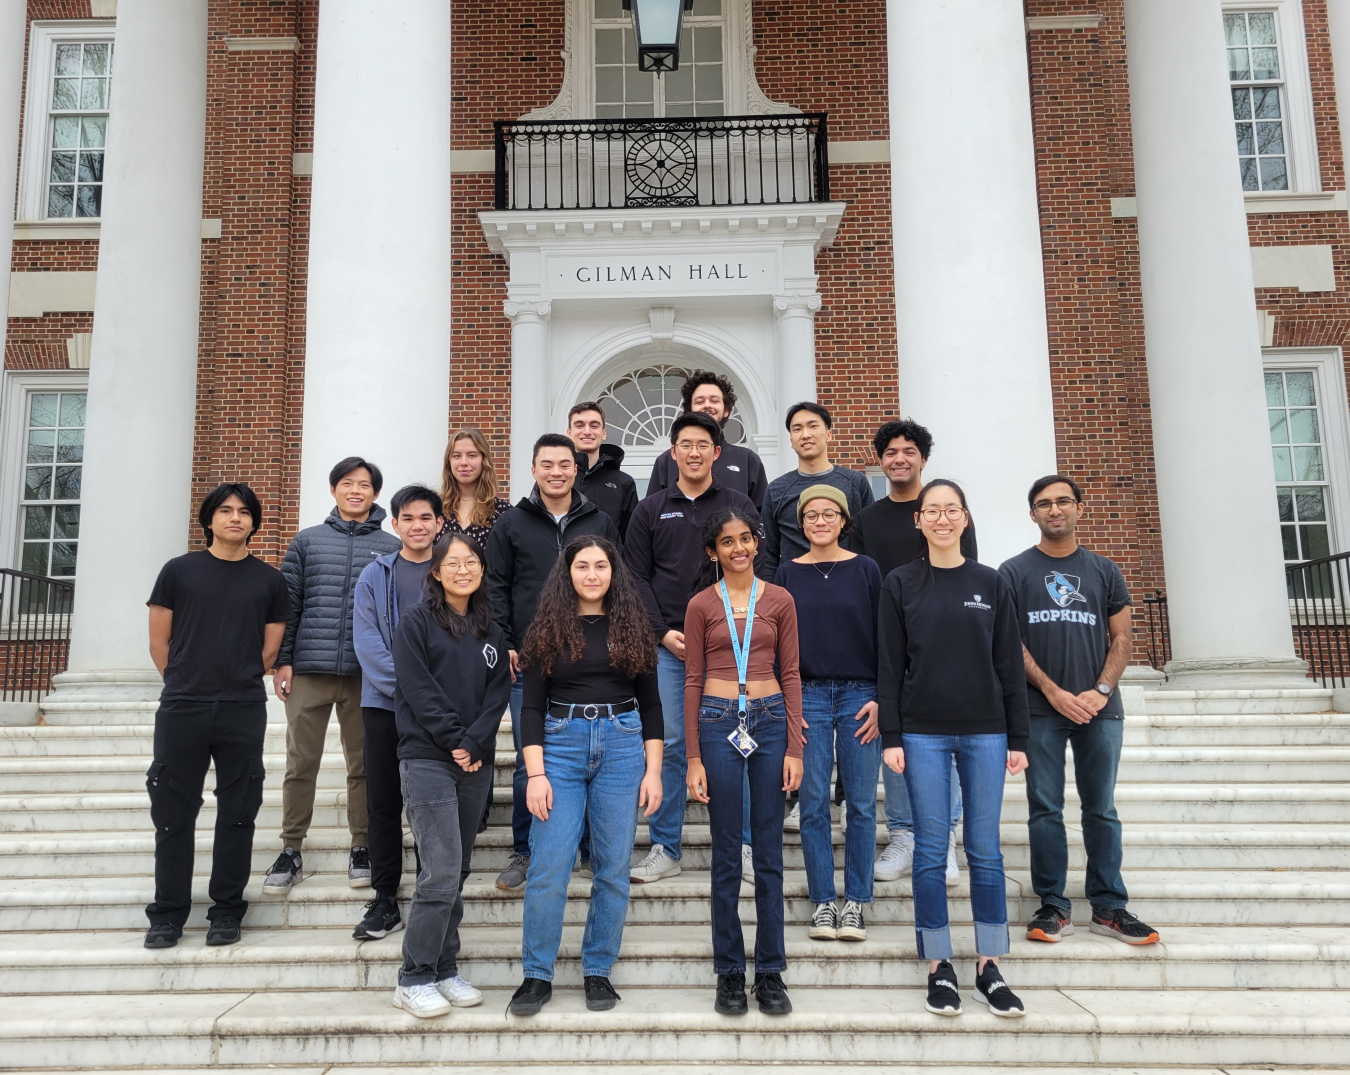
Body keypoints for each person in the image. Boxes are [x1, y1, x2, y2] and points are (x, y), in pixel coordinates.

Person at [878, 479, 1029, 1018]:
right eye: (932, 511)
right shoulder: (900, 583)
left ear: (965, 518)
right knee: (929, 847)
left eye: (952, 510)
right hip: (922, 733)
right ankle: (938, 965)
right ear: (917, 521)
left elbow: (1009, 663)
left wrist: (1018, 737)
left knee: (984, 850)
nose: (942, 518)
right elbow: (890, 667)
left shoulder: (991, 582)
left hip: (986, 732)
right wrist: (892, 737)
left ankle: (990, 965)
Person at [999, 475, 1160, 947]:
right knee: (1045, 809)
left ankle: (1109, 907)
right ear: (1032, 514)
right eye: (1044, 504)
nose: (1054, 510)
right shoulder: (1013, 572)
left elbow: (1123, 638)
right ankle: (1053, 905)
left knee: (1102, 809)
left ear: (1079, 509)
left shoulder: (1105, 571)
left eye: (1063, 502)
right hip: (1040, 708)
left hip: (1101, 709)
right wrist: (1052, 691)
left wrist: (1102, 689)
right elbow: (1011, 644)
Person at [509, 537, 665, 1016]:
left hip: (622, 745)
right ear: (568, 572)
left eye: (601, 566)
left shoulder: (633, 626)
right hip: (560, 744)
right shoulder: (547, 629)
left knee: (613, 868)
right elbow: (531, 707)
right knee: (549, 866)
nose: (593, 574)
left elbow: (653, 705)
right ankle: (537, 975)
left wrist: (654, 771)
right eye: (583, 566)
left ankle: (598, 968)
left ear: (613, 572)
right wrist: (535, 775)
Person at [143, 484, 290, 949]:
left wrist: (239, 679)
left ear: (253, 522)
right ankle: (167, 915)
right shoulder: (178, 571)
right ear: (209, 519)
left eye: (244, 512)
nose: (235, 518)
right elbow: (158, 642)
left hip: (243, 707)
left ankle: (226, 910)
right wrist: (183, 682)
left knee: (238, 813)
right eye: (225, 511)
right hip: (183, 706)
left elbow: (270, 646)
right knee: (172, 813)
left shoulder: (269, 580)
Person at [625, 412, 761, 885]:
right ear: (673, 452)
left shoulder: (738, 503)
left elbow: (750, 567)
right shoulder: (650, 509)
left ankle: (741, 844)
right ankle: (666, 846)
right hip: (670, 648)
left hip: (730, 647)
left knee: (737, 740)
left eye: (704, 444)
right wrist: (662, 631)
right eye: (686, 444)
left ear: (717, 452)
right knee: (673, 743)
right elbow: (636, 577)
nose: (695, 452)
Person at [485, 433, 622, 891]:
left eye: (565, 464)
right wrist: (505, 641)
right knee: (531, 762)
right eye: (547, 464)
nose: (557, 472)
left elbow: (617, 583)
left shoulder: (599, 521)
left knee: (587, 757)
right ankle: (525, 851)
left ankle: (586, 848)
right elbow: (495, 588)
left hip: (590, 662)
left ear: (576, 469)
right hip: (531, 661)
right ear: (533, 469)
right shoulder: (510, 523)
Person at [263, 457, 402, 895]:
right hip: (310, 668)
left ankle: (361, 846)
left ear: (375, 494)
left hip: (368, 676)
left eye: (364, 485)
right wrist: (282, 661)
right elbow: (288, 605)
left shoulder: (391, 546)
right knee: (300, 763)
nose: (355, 491)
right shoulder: (307, 542)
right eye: (347, 483)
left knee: (364, 766)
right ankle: (291, 849)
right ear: (333, 489)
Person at [685, 507, 803, 1016]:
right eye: (727, 542)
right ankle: (730, 971)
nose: (738, 548)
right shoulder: (698, 605)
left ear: (757, 544)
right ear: (713, 551)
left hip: (771, 719)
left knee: (771, 854)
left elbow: (793, 672)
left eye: (746, 539)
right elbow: (690, 679)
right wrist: (691, 756)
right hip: (716, 722)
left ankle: (771, 971)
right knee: (728, 852)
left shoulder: (779, 599)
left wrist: (796, 746)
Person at [389, 534, 507, 1017]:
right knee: (438, 870)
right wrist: (456, 738)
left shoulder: (491, 630)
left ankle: (443, 967)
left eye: (471, 562)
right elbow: (417, 686)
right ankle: (412, 976)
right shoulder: (417, 622)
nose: (463, 569)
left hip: (473, 761)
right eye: (452, 563)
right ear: (435, 572)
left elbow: (497, 693)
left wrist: (475, 742)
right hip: (427, 757)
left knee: (455, 871)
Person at [854, 419, 974, 885]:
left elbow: (969, 573)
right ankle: (904, 836)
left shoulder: (949, 514)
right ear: (880, 462)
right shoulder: (867, 520)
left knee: (946, 740)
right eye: (890, 452)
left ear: (923, 458)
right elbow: (862, 585)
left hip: (944, 645)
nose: (899, 458)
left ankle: (942, 839)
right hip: (888, 645)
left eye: (908, 451)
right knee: (897, 738)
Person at [773, 485, 883, 944]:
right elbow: (775, 642)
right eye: (811, 515)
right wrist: (785, 700)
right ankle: (823, 901)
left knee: (859, 802)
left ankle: (855, 900)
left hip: (861, 695)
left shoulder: (866, 570)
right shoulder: (785, 574)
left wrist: (883, 697)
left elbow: (886, 637)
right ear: (802, 524)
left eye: (829, 514)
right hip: (808, 695)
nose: (820, 521)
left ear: (844, 520)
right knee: (813, 802)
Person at [351, 484, 445, 941]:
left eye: (425, 517)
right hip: (384, 706)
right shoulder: (376, 575)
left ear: (439, 523)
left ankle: (435, 892)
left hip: (441, 711)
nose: (417, 526)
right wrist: (414, 693)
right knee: (384, 803)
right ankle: (385, 897)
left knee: (430, 804)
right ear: (394, 525)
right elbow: (368, 644)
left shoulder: (453, 571)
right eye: (407, 518)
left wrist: (434, 699)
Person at [757, 402, 873, 581]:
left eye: (813, 426)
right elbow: (769, 553)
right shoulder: (776, 490)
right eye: (797, 429)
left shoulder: (856, 483)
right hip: (794, 588)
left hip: (848, 583)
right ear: (791, 440)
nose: (805, 435)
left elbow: (868, 542)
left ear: (829, 435)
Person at [646, 370, 768, 509]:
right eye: (700, 401)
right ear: (689, 409)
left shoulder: (748, 460)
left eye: (714, 400)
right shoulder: (666, 461)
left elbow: (761, 517)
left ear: (726, 410)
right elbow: (652, 511)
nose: (707, 405)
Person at [567, 401, 638, 539]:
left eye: (594, 426)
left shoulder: (624, 483)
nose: (587, 431)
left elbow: (631, 540)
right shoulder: (556, 479)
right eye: (579, 425)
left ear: (603, 433)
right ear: (569, 433)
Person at [439, 427, 512, 546]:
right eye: (457, 456)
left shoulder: (503, 512)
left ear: (484, 460)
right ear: (449, 461)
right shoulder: (435, 509)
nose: (463, 462)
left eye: (472, 455)